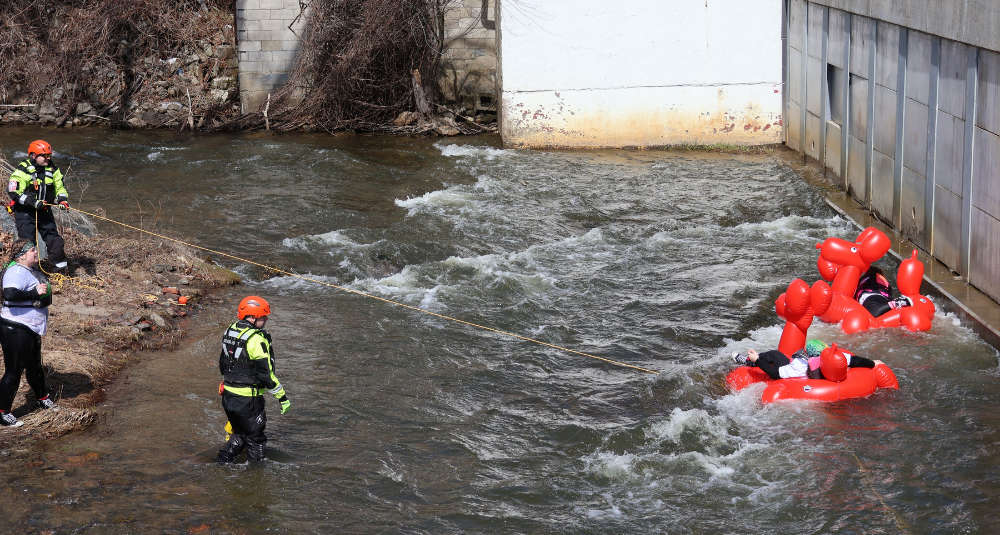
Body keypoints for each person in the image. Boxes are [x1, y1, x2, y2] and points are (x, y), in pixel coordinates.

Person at [216, 296, 290, 463]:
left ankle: (221, 463)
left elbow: (222, 363)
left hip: (228, 396)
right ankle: (256, 474)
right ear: (253, 317)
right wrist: (282, 397)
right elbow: (266, 374)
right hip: (248, 401)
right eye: (263, 317)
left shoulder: (230, 330)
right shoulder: (256, 339)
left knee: (239, 435)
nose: (266, 320)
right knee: (256, 440)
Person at [0, 241, 58, 427]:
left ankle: (42, 398)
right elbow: (10, 294)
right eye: (32, 250)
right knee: (14, 371)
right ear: (22, 256)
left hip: (29, 327)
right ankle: (2, 412)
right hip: (15, 328)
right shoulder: (16, 271)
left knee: (34, 366)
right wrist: (35, 292)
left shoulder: (27, 270)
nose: (36, 252)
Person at [7, 139, 70, 271]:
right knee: (28, 243)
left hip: (44, 210)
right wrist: (33, 202)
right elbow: (13, 191)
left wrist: (62, 200)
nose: (48, 158)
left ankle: (60, 269)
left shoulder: (53, 169)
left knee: (54, 239)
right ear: (33, 156)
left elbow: (60, 188)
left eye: (49, 155)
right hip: (25, 212)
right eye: (44, 156)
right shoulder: (23, 170)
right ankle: (26, 270)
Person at [733, 339, 883, 381]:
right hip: (818, 376)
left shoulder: (801, 365)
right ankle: (751, 360)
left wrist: (758, 360)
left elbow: (775, 373)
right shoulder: (838, 359)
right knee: (777, 355)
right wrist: (872, 364)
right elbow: (856, 361)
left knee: (774, 354)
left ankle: (749, 361)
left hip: (791, 374)